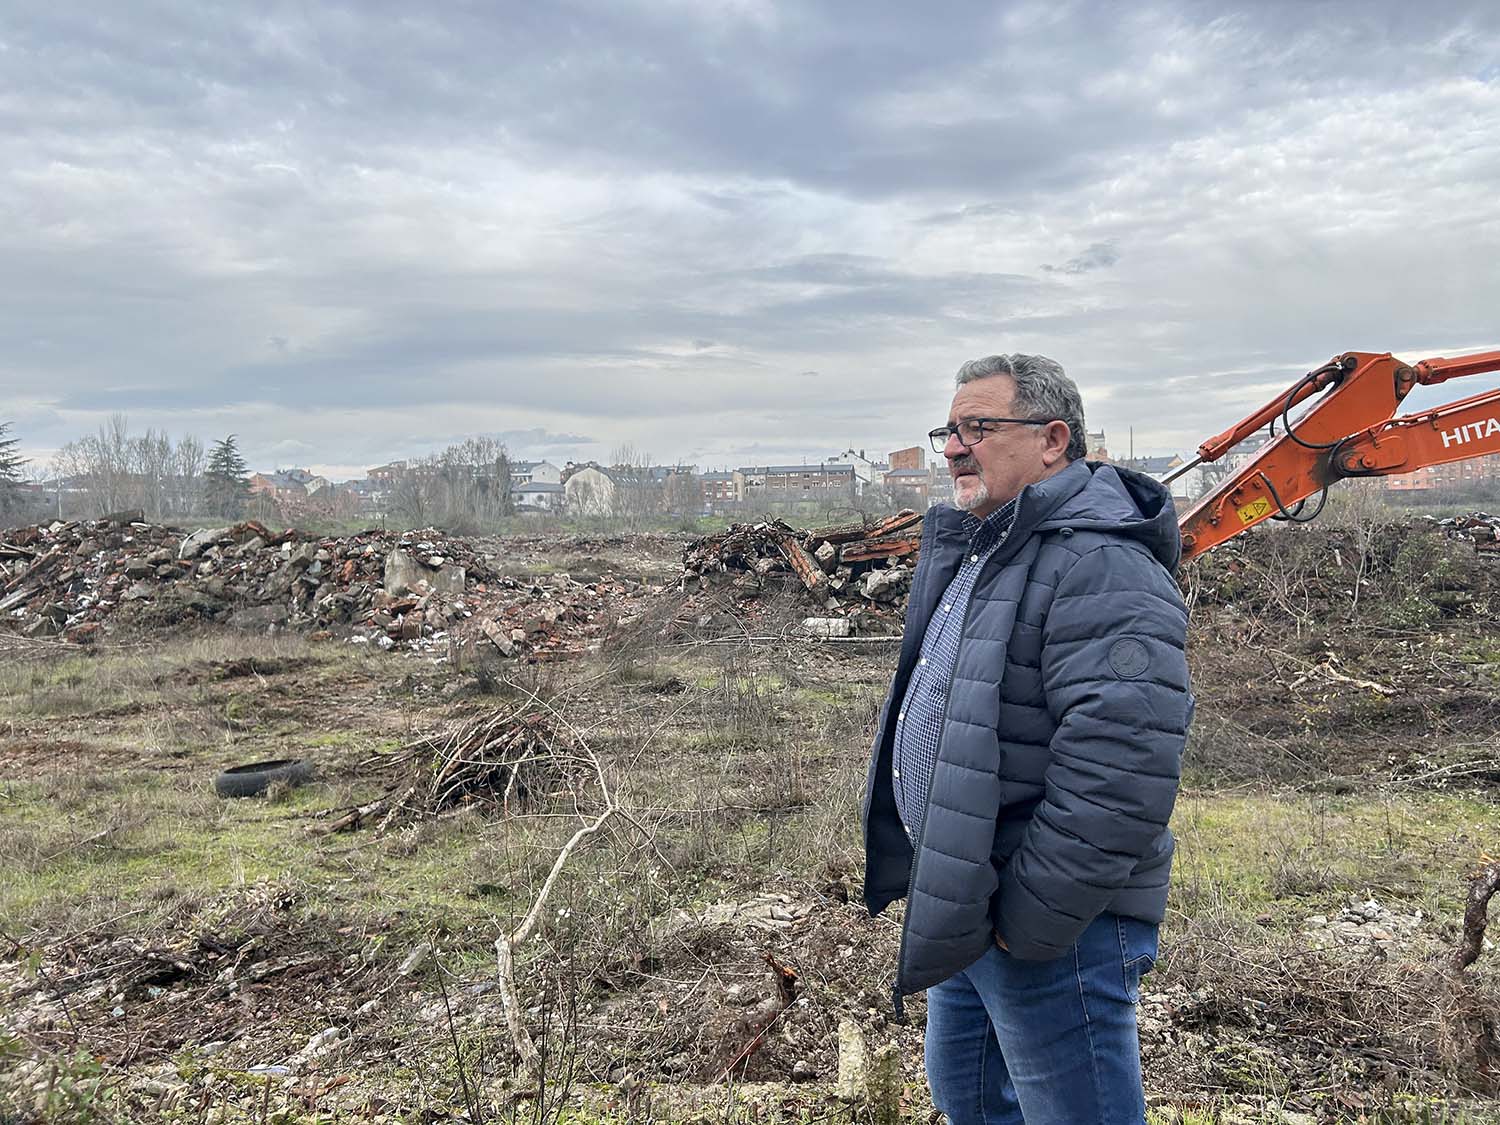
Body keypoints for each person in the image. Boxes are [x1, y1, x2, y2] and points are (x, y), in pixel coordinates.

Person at [860, 353, 1192, 1124]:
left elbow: (1122, 768)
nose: (952, 445)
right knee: (969, 1099)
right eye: (949, 428)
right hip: (973, 907)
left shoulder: (1100, 562)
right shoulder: (993, 547)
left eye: (978, 426)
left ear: (1051, 439)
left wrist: (1032, 921)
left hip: (1050, 929)